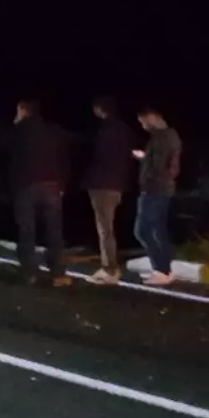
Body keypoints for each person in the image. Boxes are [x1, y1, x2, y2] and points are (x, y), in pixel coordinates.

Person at [3, 99, 71, 287]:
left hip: (25, 186)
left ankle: (30, 272)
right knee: (54, 230)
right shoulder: (55, 131)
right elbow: (65, 159)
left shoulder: (17, 132)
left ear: (23, 111)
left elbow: (2, 151)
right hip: (52, 185)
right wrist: (62, 184)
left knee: (27, 230)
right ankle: (57, 272)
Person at [82, 97, 135, 284]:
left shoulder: (105, 130)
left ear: (99, 109)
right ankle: (110, 266)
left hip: (102, 184)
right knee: (108, 227)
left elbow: (100, 157)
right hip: (117, 185)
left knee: (105, 228)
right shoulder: (125, 130)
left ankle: (109, 269)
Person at [132, 107, 182, 286]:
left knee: (143, 230)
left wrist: (145, 164)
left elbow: (158, 165)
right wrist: (145, 157)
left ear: (152, 118)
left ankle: (161, 269)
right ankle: (164, 271)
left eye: (143, 121)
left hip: (154, 189)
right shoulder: (172, 136)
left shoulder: (161, 137)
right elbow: (164, 162)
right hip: (164, 188)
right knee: (159, 230)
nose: (143, 126)